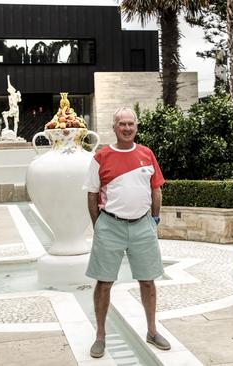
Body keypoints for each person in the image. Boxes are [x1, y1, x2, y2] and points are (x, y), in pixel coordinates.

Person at [82, 107, 170, 358]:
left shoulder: (146, 154)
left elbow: (156, 190)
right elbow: (91, 193)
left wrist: (154, 219)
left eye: (131, 123)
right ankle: (100, 336)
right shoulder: (101, 156)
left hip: (143, 224)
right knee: (104, 282)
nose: (127, 128)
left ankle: (152, 331)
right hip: (110, 224)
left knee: (148, 279)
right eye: (122, 124)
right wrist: (98, 224)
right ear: (114, 127)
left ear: (136, 126)